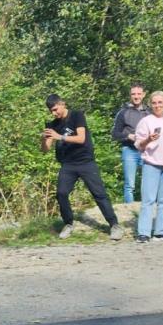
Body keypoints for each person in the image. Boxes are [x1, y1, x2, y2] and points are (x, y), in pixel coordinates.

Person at [41, 95, 123, 241]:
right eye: (51, 111)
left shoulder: (77, 116)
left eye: (55, 109)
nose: (54, 113)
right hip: (68, 164)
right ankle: (68, 223)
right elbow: (45, 149)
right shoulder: (52, 124)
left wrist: (59, 137)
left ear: (62, 104)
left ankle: (114, 225)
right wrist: (44, 138)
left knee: (99, 193)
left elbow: (81, 138)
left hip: (85, 162)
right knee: (61, 193)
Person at [133, 91, 163, 243]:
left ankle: (161, 232)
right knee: (148, 200)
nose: (157, 105)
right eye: (154, 103)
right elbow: (138, 145)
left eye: (160, 102)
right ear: (151, 105)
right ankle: (144, 233)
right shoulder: (146, 121)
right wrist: (148, 139)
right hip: (151, 164)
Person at [111, 83, 150, 202]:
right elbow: (115, 134)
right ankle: (129, 211)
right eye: (133, 94)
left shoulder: (149, 113)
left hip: (146, 151)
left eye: (139, 94)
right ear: (130, 96)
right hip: (129, 151)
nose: (136, 96)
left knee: (148, 183)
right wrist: (128, 136)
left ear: (143, 95)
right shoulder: (123, 113)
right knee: (129, 185)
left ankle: (147, 210)